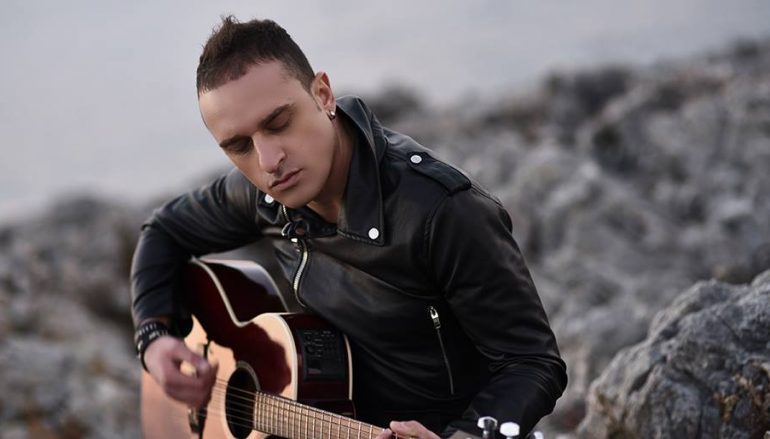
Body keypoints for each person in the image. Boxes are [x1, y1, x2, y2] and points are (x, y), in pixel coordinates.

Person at [131, 16, 567, 439]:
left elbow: (532, 363)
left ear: (323, 94)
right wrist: (154, 336)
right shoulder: (264, 195)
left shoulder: (442, 212)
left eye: (279, 123)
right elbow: (164, 230)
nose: (268, 161)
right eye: (239, 146)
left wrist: (468, 435)